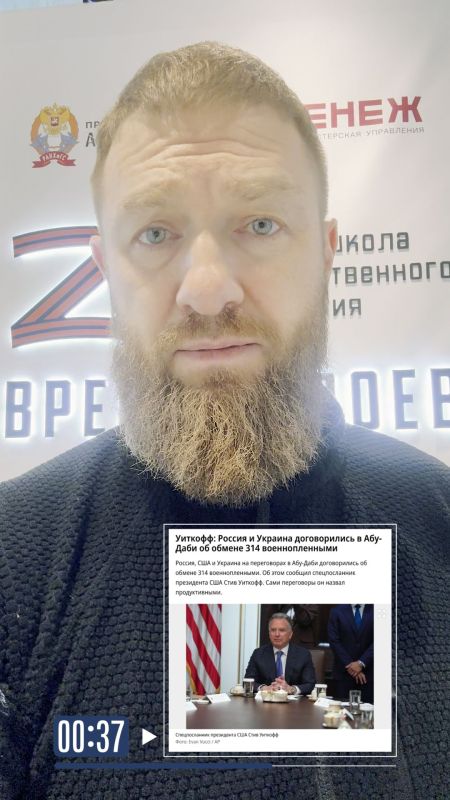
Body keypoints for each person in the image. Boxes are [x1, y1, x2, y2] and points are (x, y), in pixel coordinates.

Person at [0, 41, 448, 800]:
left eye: (261, 224)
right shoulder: (17, 556)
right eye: (155, 233)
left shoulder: (438, 517)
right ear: (104, 270)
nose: (207, 290)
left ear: (327, 253)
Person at [244, 613, 315, 695]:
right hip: (266, 701)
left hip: (293, 702)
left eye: (281, 630)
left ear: (290, 634)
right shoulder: (258, 654)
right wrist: (264, 688)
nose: (277, 634)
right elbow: (247, 682)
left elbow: (310, 684)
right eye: (273, 630)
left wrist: (291, 689)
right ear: (269, 633)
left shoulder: (303, 655)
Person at [328, 604, 374, 703]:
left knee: (368, 710)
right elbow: (334, 641)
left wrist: (361, 663)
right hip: (343, 674)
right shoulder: (336, 611)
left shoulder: (376, 610)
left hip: (368, 675)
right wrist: (351, 666)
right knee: (341, 710)